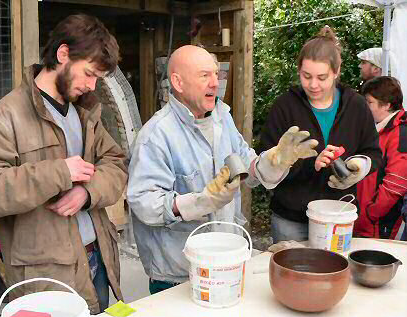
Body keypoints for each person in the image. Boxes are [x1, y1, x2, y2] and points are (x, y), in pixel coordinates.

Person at [0, 14, 127, 313]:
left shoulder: (84, 113)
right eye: (88, 73)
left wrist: (87, 192)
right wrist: (59, 172)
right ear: (63, 54)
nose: (91, 86)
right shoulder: (4, 117)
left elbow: (116, 164)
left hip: (97, 260)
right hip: (46, 276)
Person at [127, 45, 318, 294]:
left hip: (225, 259)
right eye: (204, 75)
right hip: (178, 274)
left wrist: (275, 162)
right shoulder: (156, 135)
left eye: (216, 75)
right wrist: (200, 202)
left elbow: (247, 168)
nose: (215, 83)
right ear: (178, 82)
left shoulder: (221, 117)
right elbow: (144, 204)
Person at [257, 26, 382, 243]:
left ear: (336, 71)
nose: (313, 85)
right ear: (298, 71)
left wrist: (358, 167)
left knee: (335, 274)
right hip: (291, 218)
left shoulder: (356, 106)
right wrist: (309, 164)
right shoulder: (285, 107)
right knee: (293, 275)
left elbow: (373, 152)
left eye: (322, 77)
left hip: (339, 216)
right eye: (306, 76)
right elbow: (264, 161)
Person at [355, 76, 407, 240]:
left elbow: (395, 183)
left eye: (369, 102)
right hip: (366, 221)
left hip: (377, 224)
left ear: (386, 105)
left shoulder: (400, 132)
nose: (365, 107)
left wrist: (370, 214)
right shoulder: (380, 128)